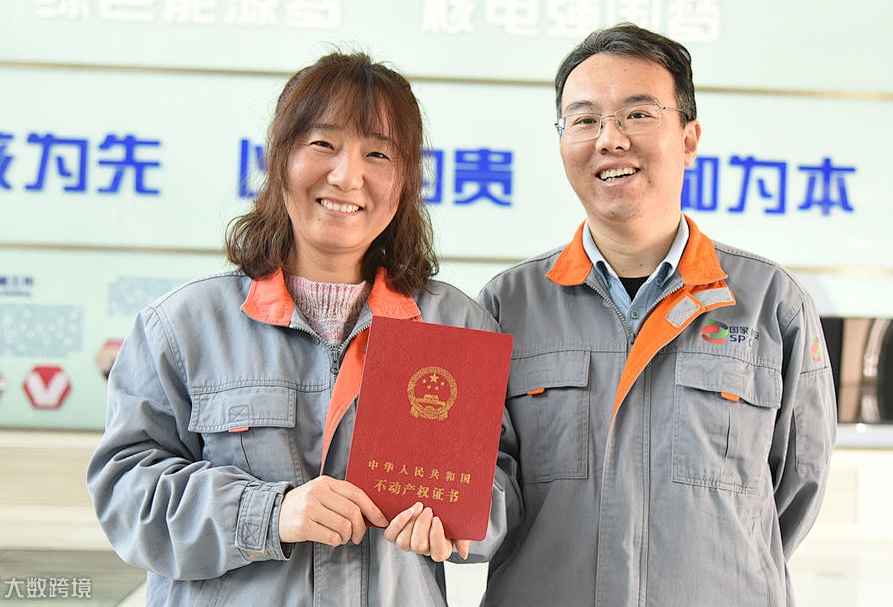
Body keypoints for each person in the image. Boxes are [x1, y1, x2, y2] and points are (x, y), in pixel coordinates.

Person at [87, 51, 515, 607]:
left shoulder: (456, 325)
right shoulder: (183, 326)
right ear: (279, 157)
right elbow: (127, 497)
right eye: (323, 144)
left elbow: (503, 496)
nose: (347, 176)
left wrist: (460, 519)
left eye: (378, 153)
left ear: (406, 181)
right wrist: (269, 513)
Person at [477, 23, 837, 607]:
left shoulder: (772, 304)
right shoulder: (507, 305)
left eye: (638, 115)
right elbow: (489, 483)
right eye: (584, 120)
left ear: (689, 139)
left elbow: (798, 486)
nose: (609, 139)